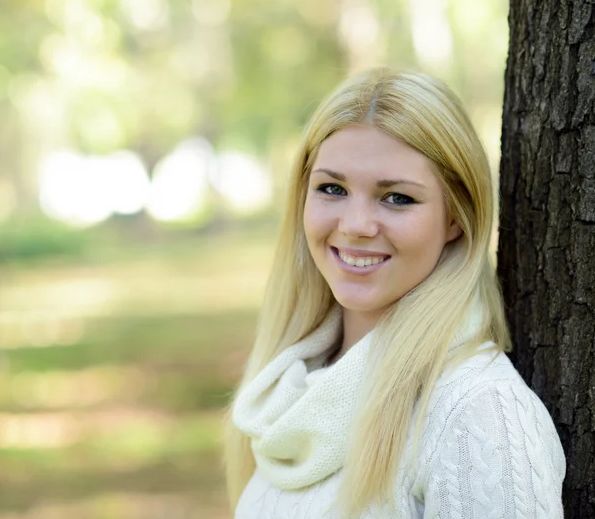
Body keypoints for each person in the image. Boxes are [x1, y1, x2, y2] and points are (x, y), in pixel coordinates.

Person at [224, 67, 566, 518]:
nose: (356, 225)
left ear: (455, 218)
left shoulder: (476, 414)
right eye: (332, 188)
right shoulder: (285, 385)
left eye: (397, 198)